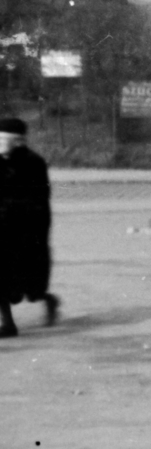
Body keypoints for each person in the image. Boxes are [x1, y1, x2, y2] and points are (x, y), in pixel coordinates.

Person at [0, 117, 58, 337]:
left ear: (19, 141)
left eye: (5, 139)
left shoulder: (33, 162)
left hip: (26, 230)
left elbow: (40, 198)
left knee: (30, 289)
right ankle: (8, 324)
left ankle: (48, 300)